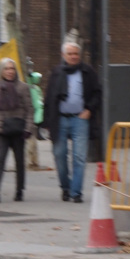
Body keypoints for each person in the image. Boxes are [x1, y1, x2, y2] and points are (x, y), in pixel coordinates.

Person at [43, 40, 102, 203]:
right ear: (64, 55)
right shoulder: (57, 72)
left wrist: (89, 109)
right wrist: (46, 121)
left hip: (80, 119)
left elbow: (98, 93)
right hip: (60, 119)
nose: (73, 56)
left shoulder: (87, 71)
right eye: (70, 54)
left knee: (79, 156)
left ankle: (76, 192)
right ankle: (66, 187)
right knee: (59, 155)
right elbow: (49, 98)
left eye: (76, 53)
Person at [0, 59, 30, 202]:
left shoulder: (23, 87)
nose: (10, 71)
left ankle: (19, 190)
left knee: (19, 161)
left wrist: (28, 128)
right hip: (1, 129)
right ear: (2, 71)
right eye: (7, 69)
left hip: (18, 129)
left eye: (12, 69)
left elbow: (30, 109)